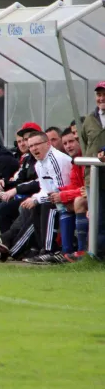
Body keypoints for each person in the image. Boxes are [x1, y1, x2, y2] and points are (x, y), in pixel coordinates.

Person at [0, 131, 72, 263]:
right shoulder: (39, 164)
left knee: (45, 205)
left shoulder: (55, 159)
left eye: (37, 144)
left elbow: (59, 191)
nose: (34, 148)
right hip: (56, 197)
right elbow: (44, 189)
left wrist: (35, 199)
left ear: (47, 143)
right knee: (30, 206)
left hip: (68, 198)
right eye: (31, 146)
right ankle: (13, 249)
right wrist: (34, 198)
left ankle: (49, 251)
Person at [48, 128, 85, 259]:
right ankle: (65, 252)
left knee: (75, 202)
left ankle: (76, 251)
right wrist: (59, 192)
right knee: (54, 201)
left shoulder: (85, 159)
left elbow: (85, 189)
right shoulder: (76, 160)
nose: (68, 146)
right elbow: (75, 185)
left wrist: (62, 195)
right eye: (65, 143)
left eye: (72, 141)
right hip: (84, 197)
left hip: (93, 198)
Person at [79, 81, 105, 259]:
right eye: (99, 95)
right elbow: (85, 143)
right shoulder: (89, 119)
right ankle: (95, 255)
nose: (101, 98)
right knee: (96, 216)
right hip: (94, 176)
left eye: (104, 95)